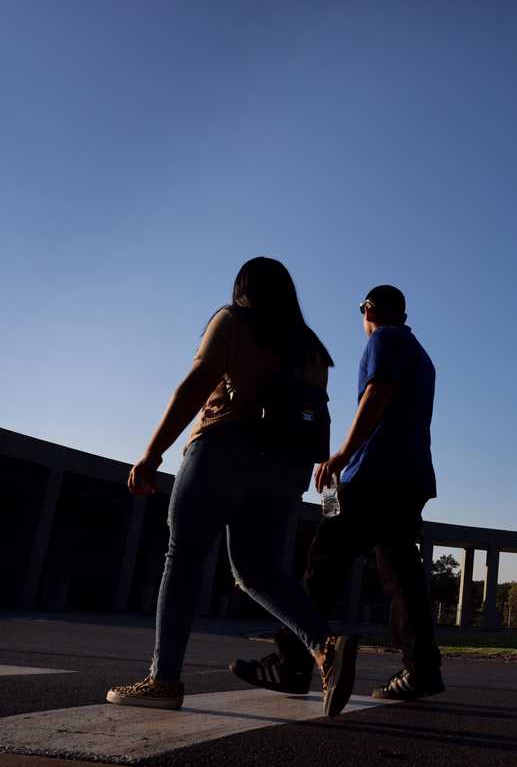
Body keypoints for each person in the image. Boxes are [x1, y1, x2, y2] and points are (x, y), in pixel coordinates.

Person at [107, 258, 358, 718]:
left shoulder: (233, 320)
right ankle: (324, 646)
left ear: (242, 288)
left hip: (223, 449)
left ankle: (163, 680)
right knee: (258, 570)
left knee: (183, 558)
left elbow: (196, 384)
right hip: (286, 468)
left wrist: (152, 452)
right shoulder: (313, 348)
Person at [230, 284, 443, 700]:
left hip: (374, 473)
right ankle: (422, 670)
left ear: (368, 309)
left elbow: (377, 394)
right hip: (411, 477)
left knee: (325, 558)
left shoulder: (384, 338)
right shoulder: (420, 353)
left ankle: (293, 662)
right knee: (402, 573)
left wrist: (341, 456)